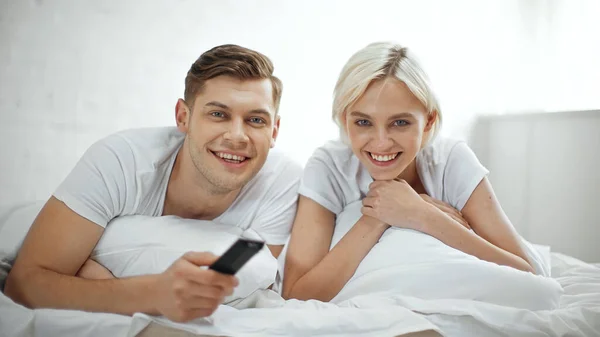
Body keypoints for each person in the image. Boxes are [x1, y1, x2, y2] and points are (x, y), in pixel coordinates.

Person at [5, 44, 302, 322]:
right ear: (183, 117)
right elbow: (23, 285)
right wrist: (151, 295)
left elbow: (247, 285)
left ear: (275, 130)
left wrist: (99, 278)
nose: (237, 136)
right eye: (218, 114)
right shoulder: (121, 160)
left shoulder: (282, 182)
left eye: (256, 120)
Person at [282, 42, 534, 302]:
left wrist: (423, 214)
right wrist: (378, 216)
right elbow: (296, 294)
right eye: (363, 122)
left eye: (400, 122)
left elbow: (527, 274)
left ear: (429, 121)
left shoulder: (450, 161)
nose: (381, 142)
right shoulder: (328, 167)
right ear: (345, 119)